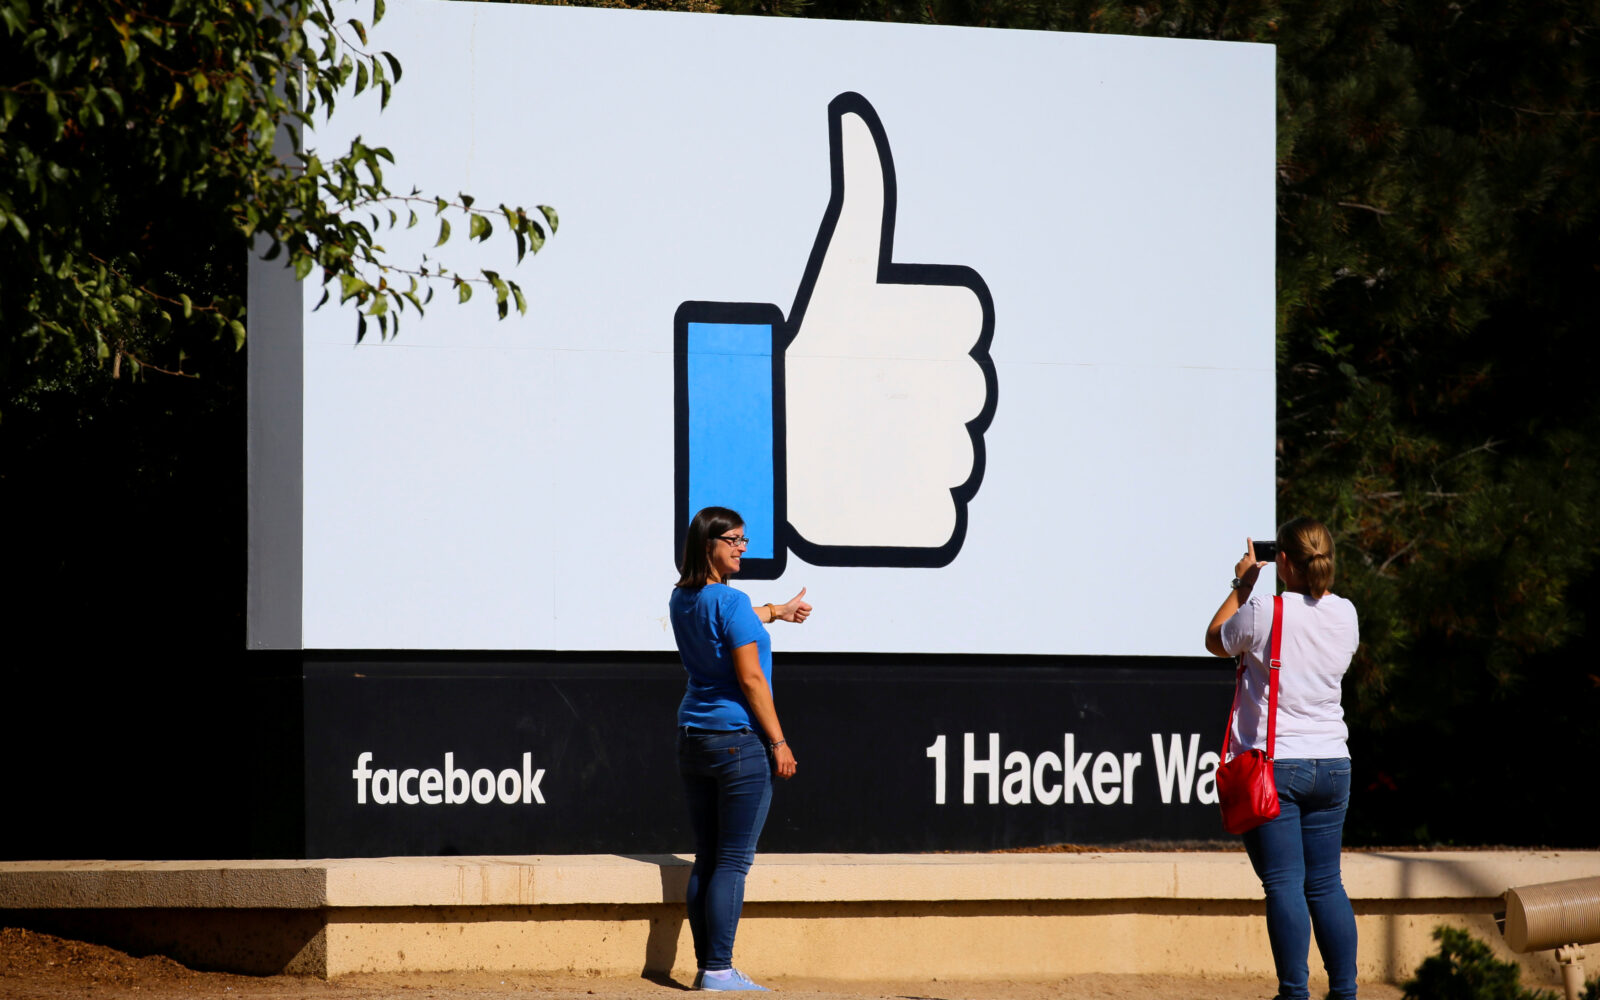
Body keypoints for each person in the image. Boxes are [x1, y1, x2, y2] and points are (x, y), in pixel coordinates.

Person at [1205, 517, 1361, 1000]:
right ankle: (1345, 992)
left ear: (1284, 562)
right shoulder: (1347, 613)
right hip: (1333, 763)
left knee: (1284, 884)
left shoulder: (1264, 609)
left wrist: (1243, 583)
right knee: (1327, 884)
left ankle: (1294, 993)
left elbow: (1214, 639)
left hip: (1277, 766)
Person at [670, 505, 811, 992]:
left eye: (743, 540)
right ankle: (719, 970)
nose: (742, 548)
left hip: (694, 740)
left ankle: (708, 967)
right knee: (731, 862)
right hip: (738, 744)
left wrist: (776, 611)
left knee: (708, 858)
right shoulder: (730, 601)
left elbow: (731, 619)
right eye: (732, 540)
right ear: (707, 544)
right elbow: (751, 679)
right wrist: (779, 741)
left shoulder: (682, 598)